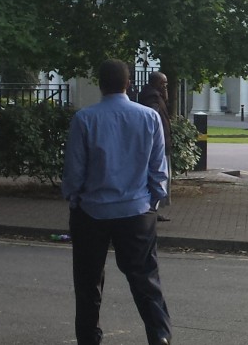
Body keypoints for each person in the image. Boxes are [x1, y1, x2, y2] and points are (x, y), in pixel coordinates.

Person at [62, 59, 171, 345]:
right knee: (146, 281)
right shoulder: (149, 117)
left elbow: (75, 171)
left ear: (100, 84)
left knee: (88, 284)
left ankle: (90, 339)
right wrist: (154, 203)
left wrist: (74, 199)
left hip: (92, 212)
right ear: (129, 83)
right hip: (136, 211)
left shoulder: (85, 119)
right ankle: (160, 337)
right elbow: (159, 170)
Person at [138, 71, 172, 222]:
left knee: (162, 178)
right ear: (155, 83)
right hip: (158, 145)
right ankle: (151, 210)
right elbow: (153, 119)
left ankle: (153, 210)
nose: (165, 86)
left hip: (162, 143)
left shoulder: (155, 95)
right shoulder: (152, 97)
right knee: (160, 178)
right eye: (163, 83)